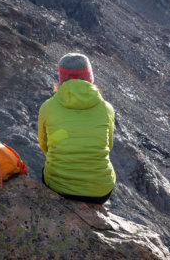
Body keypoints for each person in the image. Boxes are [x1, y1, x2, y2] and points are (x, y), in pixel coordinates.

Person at [37, 52, 116, 204]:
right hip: (100, 191)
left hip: (58, 187)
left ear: (61, 79)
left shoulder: (47, 107)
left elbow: (44, 145)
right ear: (89, 77)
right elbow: (108, 145)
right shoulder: (106, 108)